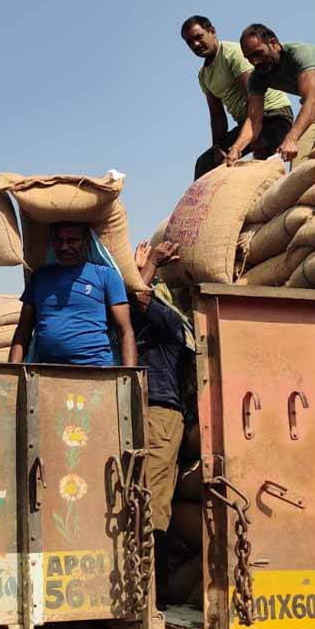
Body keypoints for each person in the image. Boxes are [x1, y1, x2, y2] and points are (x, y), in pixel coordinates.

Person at [130, 240, 194, 606]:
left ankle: (152, 592)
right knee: (150, 500)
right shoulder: (148, 321)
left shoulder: (168, 319)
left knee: (152, 503)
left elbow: (138, 296)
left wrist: (149, 263)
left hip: (159, 412)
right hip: (148, 411)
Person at [225, 23, 315, 165]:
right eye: (249, 58)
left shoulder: (299, 54)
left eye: (258, 53)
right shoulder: (257, 78)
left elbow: (311, 102)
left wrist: (291, 138)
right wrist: (237, 147)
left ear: (273, 43)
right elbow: (253, 121)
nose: (255, 62)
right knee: (299, 157)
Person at [181, 15, 295, 179]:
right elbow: (217, 115)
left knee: (264, 170)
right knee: (205, 163)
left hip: (271, 116)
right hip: (246, 124)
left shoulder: (232, 54)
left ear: (212, 32)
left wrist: (250, 138)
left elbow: (253, 97)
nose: (196, 44)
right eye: (190, 42)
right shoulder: (203, 75)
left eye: (198, 37)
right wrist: (217, 147)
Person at [8, 223, 136, 366]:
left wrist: (128, 376)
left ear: (86, 241)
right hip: (47, 371)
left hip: (97, 370)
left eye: (72, 240)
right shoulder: (40, 277)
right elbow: (23, 329)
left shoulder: (105, 275)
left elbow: (125, 330)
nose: (64, 247)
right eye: (59, 241)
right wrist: (12, 371)